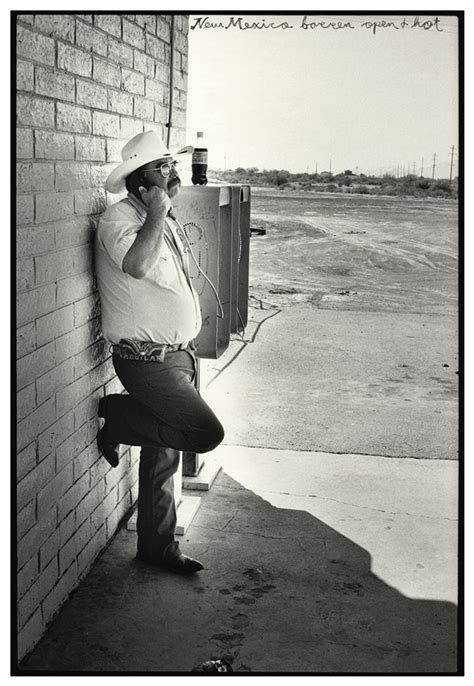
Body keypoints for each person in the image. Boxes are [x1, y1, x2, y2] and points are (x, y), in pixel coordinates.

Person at [94, 131, 224, 575]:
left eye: (172, 164)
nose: (173, 172)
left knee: (164, 452)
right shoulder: (119, 219)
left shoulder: (159, 217)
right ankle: (118, 417)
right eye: (163, 167)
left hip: (178, 356)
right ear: (139, 180)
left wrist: (160, 213)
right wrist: (157, 211)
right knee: (202, 433)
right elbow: (136, 265)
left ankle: (157, 547)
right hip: (146, 361)